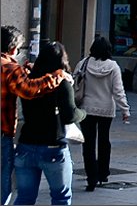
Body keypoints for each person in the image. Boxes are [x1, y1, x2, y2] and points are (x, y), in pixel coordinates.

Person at [1, 26, 67, 205]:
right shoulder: (9, 68)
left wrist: (24, 71)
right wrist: (57, 76)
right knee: (2, 186)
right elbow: (29, 90)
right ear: (13, 49)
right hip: (2, 133)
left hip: (24, 144)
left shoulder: (12, 69)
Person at [14, 41, 85, 205]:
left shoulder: (29, 81)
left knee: (24, 198)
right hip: (53, 146)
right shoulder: (61, 83)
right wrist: (84, 113)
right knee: (61, 198)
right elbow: (70, 116)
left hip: (26, 144)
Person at [73, 36, 130, 191]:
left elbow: (74, 82)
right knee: (104, 141)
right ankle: (103, 172)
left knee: (88, 144)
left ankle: (91, 177)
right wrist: (125, 109)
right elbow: (118, 90)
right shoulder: (113, 66)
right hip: (106, 108)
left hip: (87, 108)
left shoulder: (83, 63)